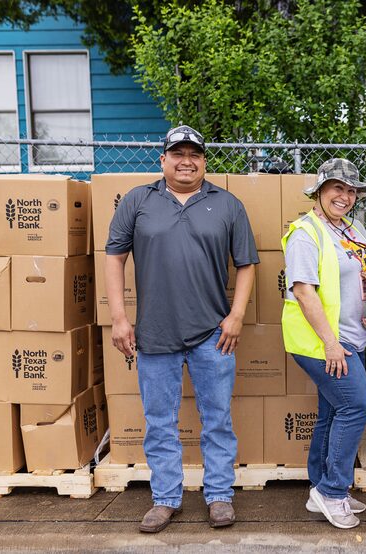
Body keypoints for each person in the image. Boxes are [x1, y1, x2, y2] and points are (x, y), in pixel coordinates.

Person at [105, 125, 259, 533]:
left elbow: (246, 264)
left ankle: (220, 496)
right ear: (163, 160)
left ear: (205, 160)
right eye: (178, 153)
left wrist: (237, 314)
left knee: (218, 418)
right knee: (158, 422)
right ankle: (166, 499)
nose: (186, 161)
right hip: (154, 335)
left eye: (194, 154)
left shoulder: (226, 204)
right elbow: (115, 259)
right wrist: (120, 319)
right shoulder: (138, 201)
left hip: (214, 333)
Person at [281, 158, 366, 530]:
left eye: (351, 190)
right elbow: (304, 291)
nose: (345, 196)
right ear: (321, 190)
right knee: (356, 405)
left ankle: (319, 487)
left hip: (354, 337)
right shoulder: (305, 232)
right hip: (320, 341)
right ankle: (334, 491)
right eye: (337, 188)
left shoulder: (354, 228)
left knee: (332, 411)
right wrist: (330, 343)